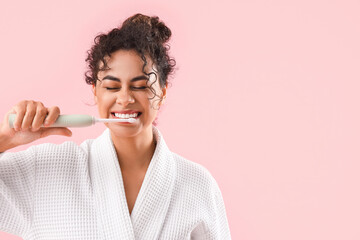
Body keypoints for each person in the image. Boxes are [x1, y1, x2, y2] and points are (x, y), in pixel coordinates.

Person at [0, 13, 231, 239]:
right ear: (96, 92)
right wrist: (6, 138)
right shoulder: (46, 170)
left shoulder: (198, 185)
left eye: (140, 86)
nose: (125, 98)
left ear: (162, 92)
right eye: (112, 87)